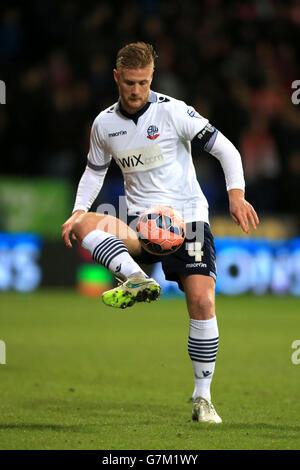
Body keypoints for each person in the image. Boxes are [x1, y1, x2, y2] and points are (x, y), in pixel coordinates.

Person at [62, 42, 259, 424]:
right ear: (117, 78)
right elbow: (94, 171)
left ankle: (203, 398)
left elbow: (227, 150)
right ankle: (136, 278)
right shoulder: (104, 124)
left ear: (152, 78)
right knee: (83, 222)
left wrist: (236, 196)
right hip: (141, 224)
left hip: (188, 221)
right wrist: (76, 210)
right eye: (131, 83)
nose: (137, 90)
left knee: (202, 302)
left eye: (144, 82)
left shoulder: (174, 112)